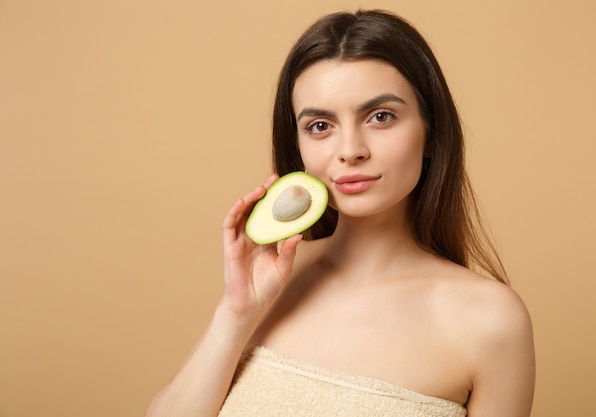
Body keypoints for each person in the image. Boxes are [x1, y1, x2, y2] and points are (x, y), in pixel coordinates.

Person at [145, 9, 535, 417]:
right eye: (320, 126)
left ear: (431, 134)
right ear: (297, 144)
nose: (350, 150)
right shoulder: (273, 280)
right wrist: (236, 313)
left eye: (380, 117)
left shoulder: (489, 320)